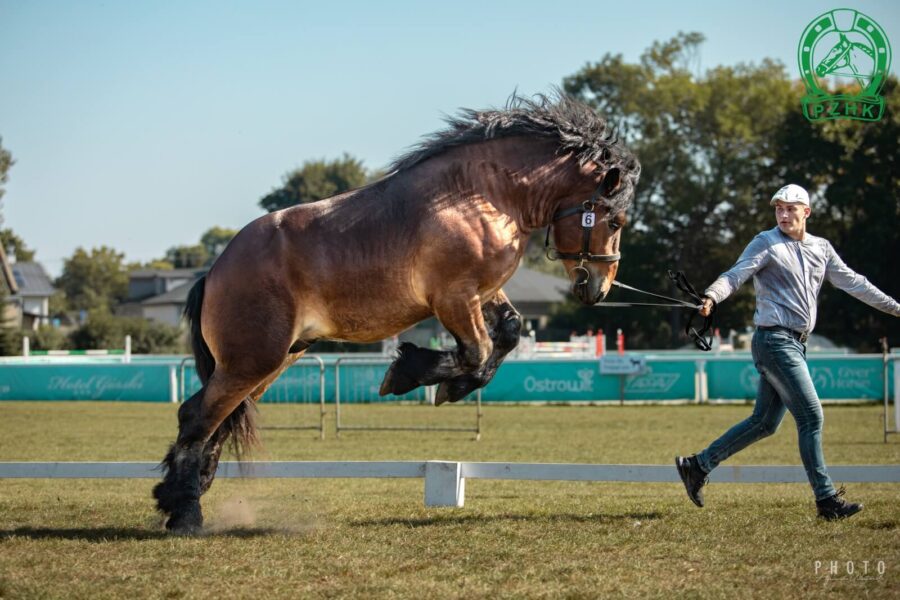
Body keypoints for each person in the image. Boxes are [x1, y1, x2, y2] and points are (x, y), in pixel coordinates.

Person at [676, 184, 900, 520]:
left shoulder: (821, 249)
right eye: (778, 209)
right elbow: (735, 275)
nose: (783, 214)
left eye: (790, 209)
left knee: (765, 423)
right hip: (774, 341)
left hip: (795, 343)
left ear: (806, 212)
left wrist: (896, 308)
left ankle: (698, 465)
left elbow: (855, 282)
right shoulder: (765, 242)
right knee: (811, 417)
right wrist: (711, 296)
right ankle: (827, 501)